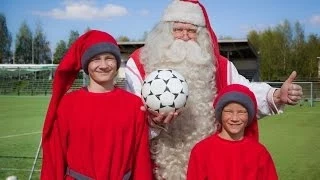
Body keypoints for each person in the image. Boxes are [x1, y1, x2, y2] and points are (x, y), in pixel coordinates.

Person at [125, 0, 302, 179]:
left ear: (201, 35)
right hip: (156, 167)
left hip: (210, 166)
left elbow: (244, 93)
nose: (185, 36)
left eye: (192, 31)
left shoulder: (220, 66)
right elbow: (127, 120)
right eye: (178, 29)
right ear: (165, 32)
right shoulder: (140, 63)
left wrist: (277, 95)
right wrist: (153, 123)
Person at [41, 30, 153, 180]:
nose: (104, 65)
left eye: (109, 58)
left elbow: (141, 160)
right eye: (95, 59)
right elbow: (54, 158)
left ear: (117, 62)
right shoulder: (68, 105)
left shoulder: (134, 105)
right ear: (86, 65)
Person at [187, 84, 278, 180]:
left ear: (249, 116)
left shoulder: (259, 153)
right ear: (220, 114)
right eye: (229, 111)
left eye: (241, 112)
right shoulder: (201, 151)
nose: (235, 118)